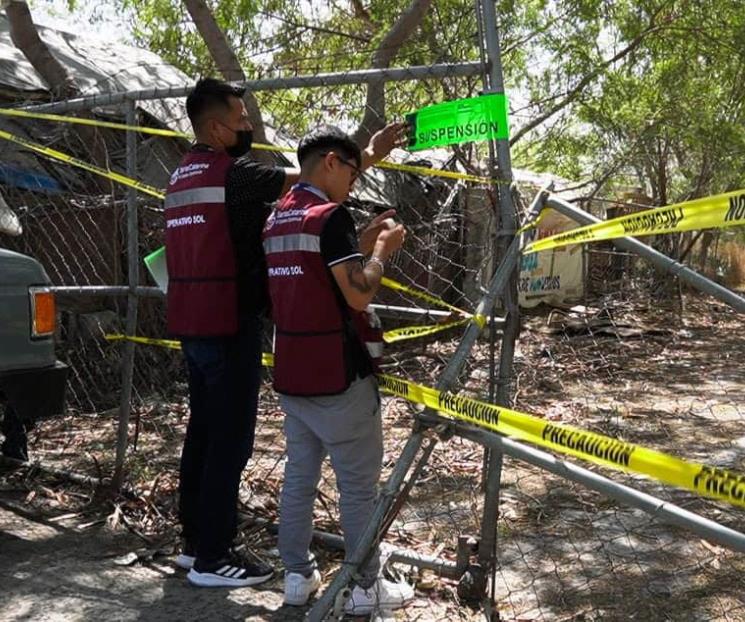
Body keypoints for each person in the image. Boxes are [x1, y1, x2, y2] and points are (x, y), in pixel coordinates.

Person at [165, 78, 406, 588]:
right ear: (215, 127)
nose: (249, 126)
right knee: (229, 442)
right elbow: (311, 182)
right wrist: (373, 154)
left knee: (203, 435)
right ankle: (213, 556)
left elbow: (310, 189)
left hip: (189, 319)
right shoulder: (234, 175)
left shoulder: (180, 176)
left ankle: (196, 544)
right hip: (228, 321)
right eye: (241, 119)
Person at [262, 125, 414, 615]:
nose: (354, 182)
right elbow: (359, 291)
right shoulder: (330, 217)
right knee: (357, 487)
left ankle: (296, 577)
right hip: (338, 376)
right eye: (352, 171)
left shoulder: (278, 219)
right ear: (331, 162)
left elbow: (311, 277)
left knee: (299, 479)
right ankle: (365, 589)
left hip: (293, 371)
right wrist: (378, 252)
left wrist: (357, 242)